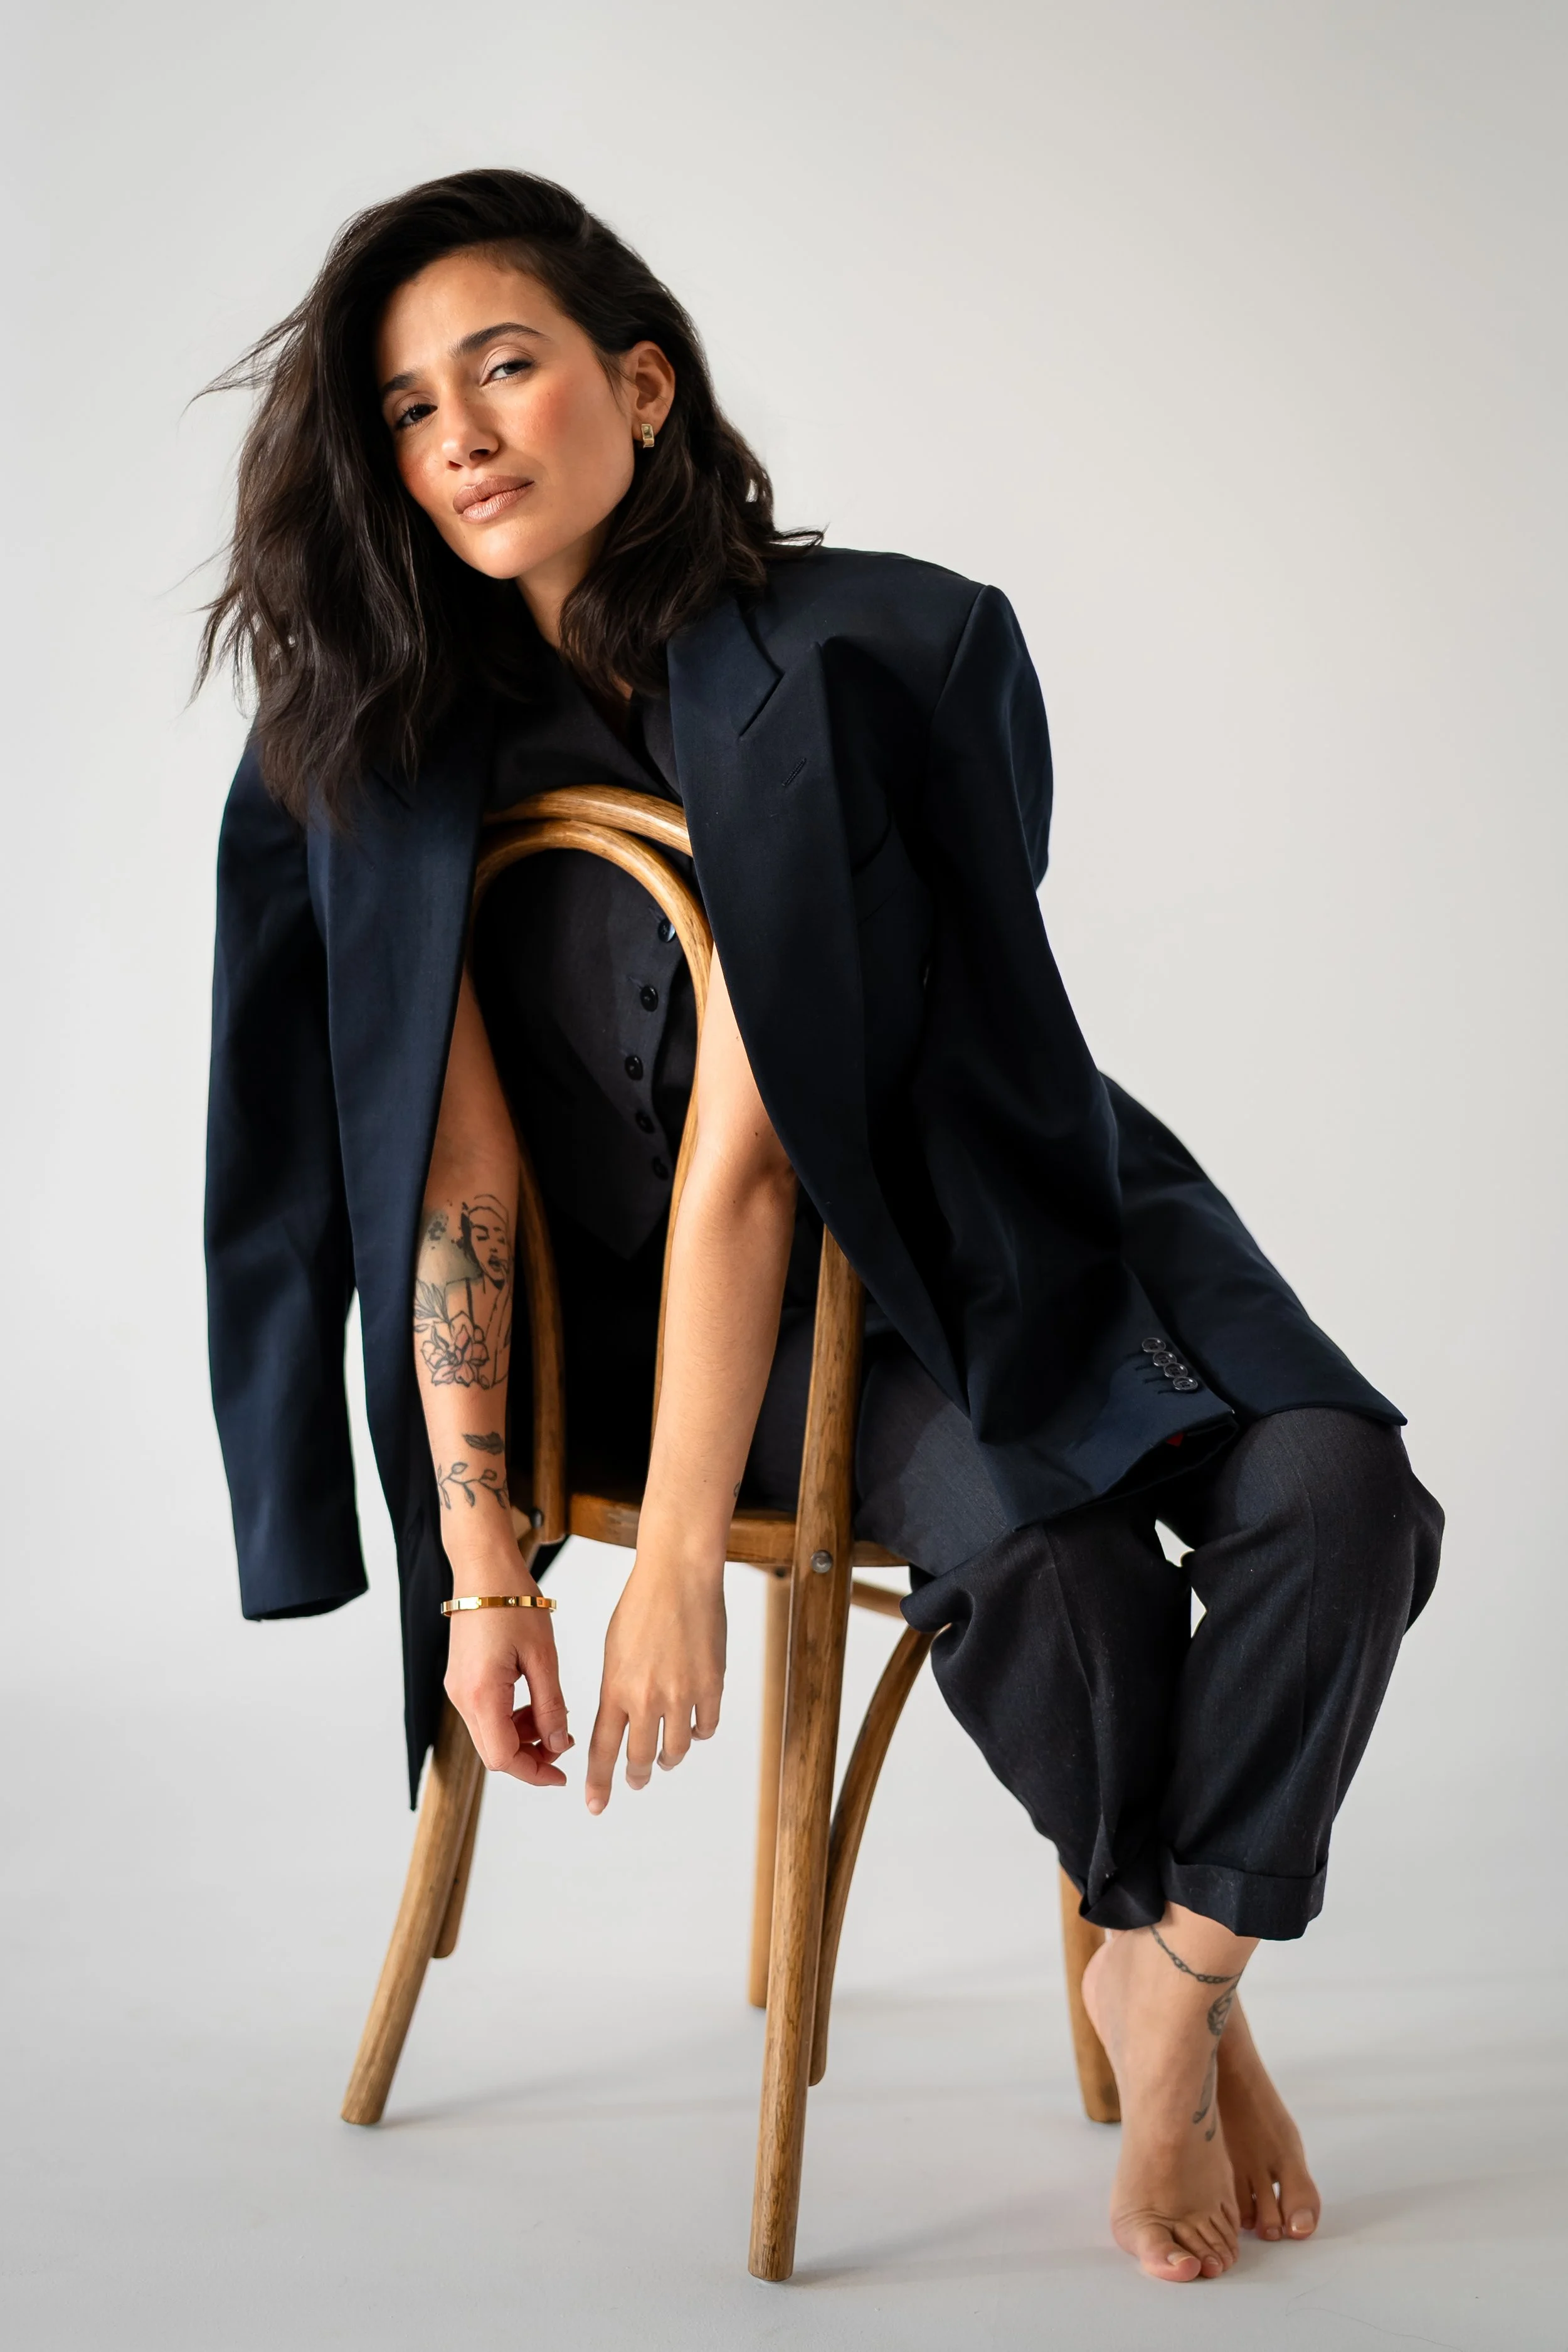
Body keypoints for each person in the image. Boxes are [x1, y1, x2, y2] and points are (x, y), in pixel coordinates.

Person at [201, 169, 1441, 2285]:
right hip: (737, 1346)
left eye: (504, 365)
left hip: (1003, 1211)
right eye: (409, 410)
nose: (464, 434)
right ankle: (1180, 1988)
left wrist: (679, 1551)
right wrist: (488, 1572)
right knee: (1048, 1567)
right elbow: (454, 1184)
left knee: (1346, 1498)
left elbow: (768, 1151)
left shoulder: (880, 649)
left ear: (642, 383)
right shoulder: (374, 748)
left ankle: (1176, 1965)